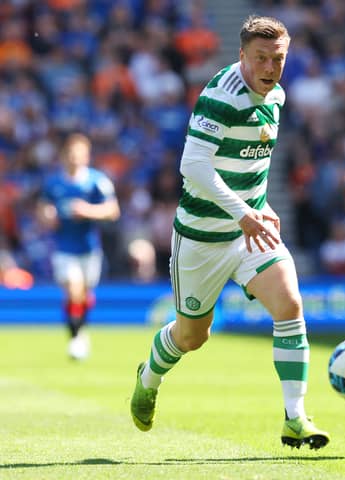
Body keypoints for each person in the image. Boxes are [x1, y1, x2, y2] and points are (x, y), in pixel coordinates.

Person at [129, 15, 330, 450]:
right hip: (202, 236)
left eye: (277, 58)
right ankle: (148, 377)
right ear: (242, 55)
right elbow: (194, 167)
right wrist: (243, 212)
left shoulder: (276, 94)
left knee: (290, 303)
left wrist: (261, 206)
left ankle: (295, 417)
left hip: (248, 230)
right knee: (191, 336)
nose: (270, 67)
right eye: (260, 58)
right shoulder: (222, 97)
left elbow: (251, 160)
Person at [37, 133, 121, 360]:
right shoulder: (54, 183)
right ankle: (75, 340)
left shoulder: (97, 181)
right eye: (71, 155)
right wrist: (47, 216)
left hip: (89, 248)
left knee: (83, 295)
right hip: (64, 248)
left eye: (79, 155)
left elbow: (113, 210)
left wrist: (87, 210)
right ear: (64, 156)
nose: (74, 159)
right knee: (74, 290)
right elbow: (42, 210)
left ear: (87, 157)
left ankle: (80, 331)